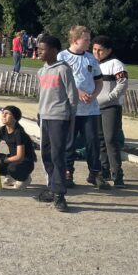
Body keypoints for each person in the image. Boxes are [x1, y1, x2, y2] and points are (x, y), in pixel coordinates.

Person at [59, 26, 108, 189]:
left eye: (89, 39)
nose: (89, 43)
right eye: (86, 39)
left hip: (90, 110)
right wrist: (77, 91)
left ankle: (95, 173)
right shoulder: (63, 56)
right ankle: (67, 172)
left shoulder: (90, 59)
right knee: (69, 142)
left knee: (92, 141)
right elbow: (60, 81)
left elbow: (99, 81)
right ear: (75, 40)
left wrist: (93, 95)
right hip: (71, 108)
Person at [35, 35, 78, 213]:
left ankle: (60, 195)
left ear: (53, 51)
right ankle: (52, 188)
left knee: (57, 155)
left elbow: (72, 96)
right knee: (46, 154)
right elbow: (42, 95)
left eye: (42, 49)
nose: (39, 51)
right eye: (38, 48)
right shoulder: (41, 71)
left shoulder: (63, 70)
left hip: (59, 117)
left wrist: (70, 118)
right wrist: (38, 113)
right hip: (44, 116)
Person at [92, 35, 130, 187]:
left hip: (111, 106)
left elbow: (123, 84)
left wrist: (110, 97)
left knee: (110, 139)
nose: (96, 53)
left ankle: (117, 173)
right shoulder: (93, 63)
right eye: (94, 49)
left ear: (109, 50)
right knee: (99, 139)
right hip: (95, 107)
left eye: (100, 50)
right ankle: (104, 170)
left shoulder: (116, 64)